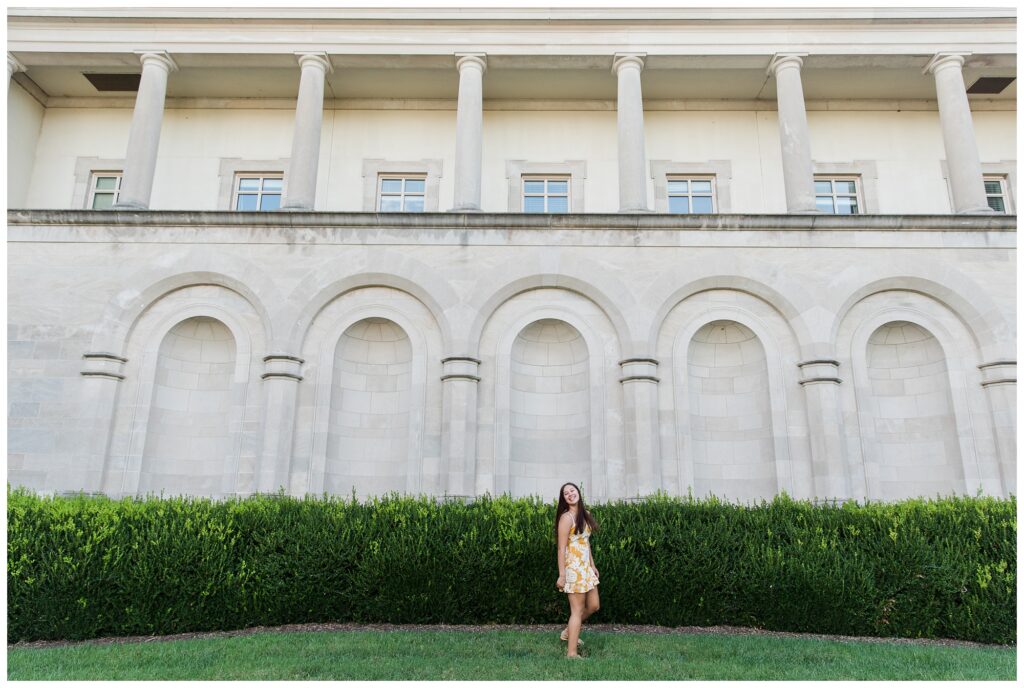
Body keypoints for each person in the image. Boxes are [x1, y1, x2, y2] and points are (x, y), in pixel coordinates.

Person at [554, 481, 600, 658]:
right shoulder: (566, 518)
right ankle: (571, 653)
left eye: (572, 490)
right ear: (564, 499)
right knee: (577, 611)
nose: (570, 494)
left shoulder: (585, 514)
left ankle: (567, 633)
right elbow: (561, 548)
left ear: (578, 492)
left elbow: (585, 543)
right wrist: (562, 574)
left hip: (586, 568)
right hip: (573, 568)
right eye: (566, 493)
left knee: (594, 606)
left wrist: (593, 565)